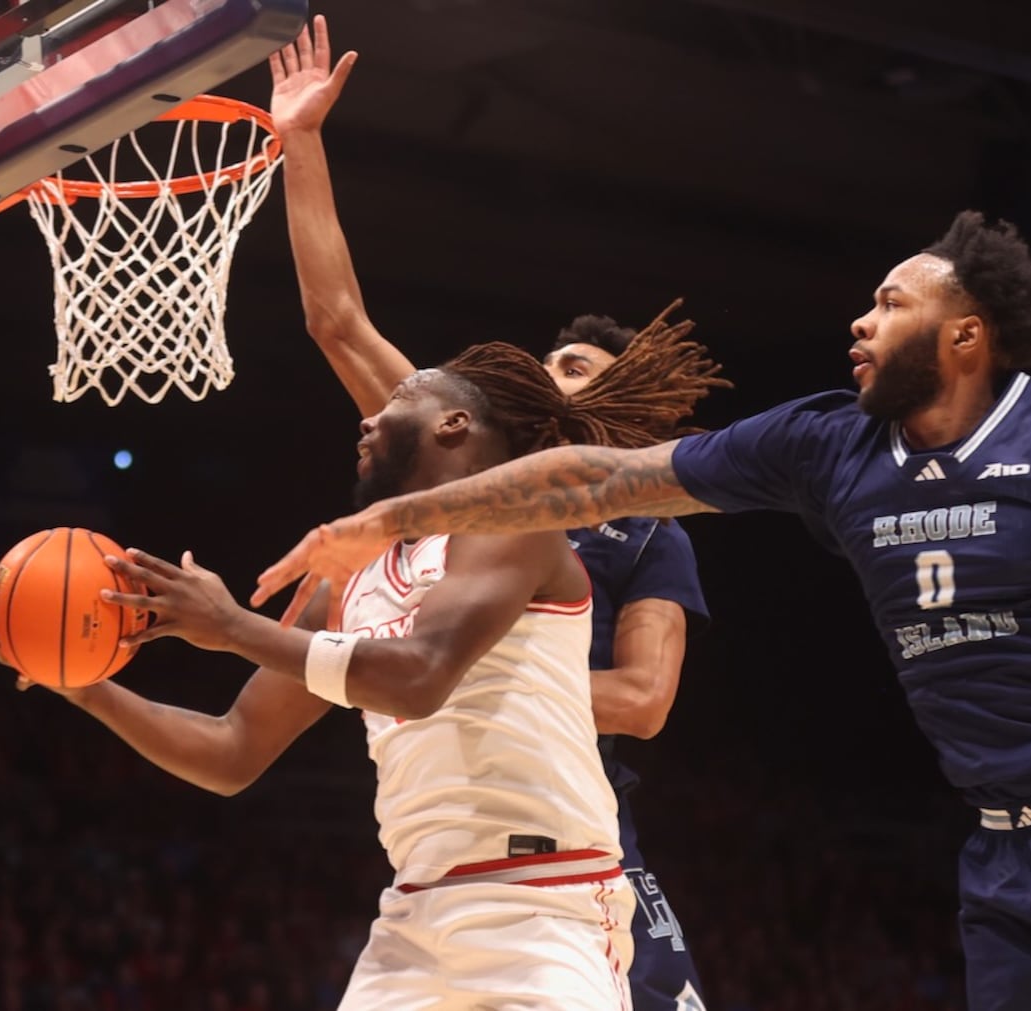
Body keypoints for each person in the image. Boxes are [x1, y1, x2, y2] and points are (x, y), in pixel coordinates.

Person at [257, 212, 1031, 1010]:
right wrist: (391, 519)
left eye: (889, 302)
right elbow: (600, 478)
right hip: (1003, 852)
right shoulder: (828, 443)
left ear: (963, 335)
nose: (860, 321)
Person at [0, 333, 727, 1010]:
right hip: (414, 915)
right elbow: (233, 747)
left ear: (455, 426)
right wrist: (82, 685)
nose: (367, 421)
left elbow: (420, 676)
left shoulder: (515, 526)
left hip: (546, 907)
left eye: (400, 402)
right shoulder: (345, 584)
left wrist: (232, 627)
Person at [269, 18, 721, 1008]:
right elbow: (336, 321)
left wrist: (497, 668)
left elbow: (644, 702)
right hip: (456, 805)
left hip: (578, 823)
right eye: (548, 364)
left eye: (574, 370)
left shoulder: (649, 534)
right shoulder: (464, 456)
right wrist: (300, 147)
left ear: (615, 416)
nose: (549, 373)